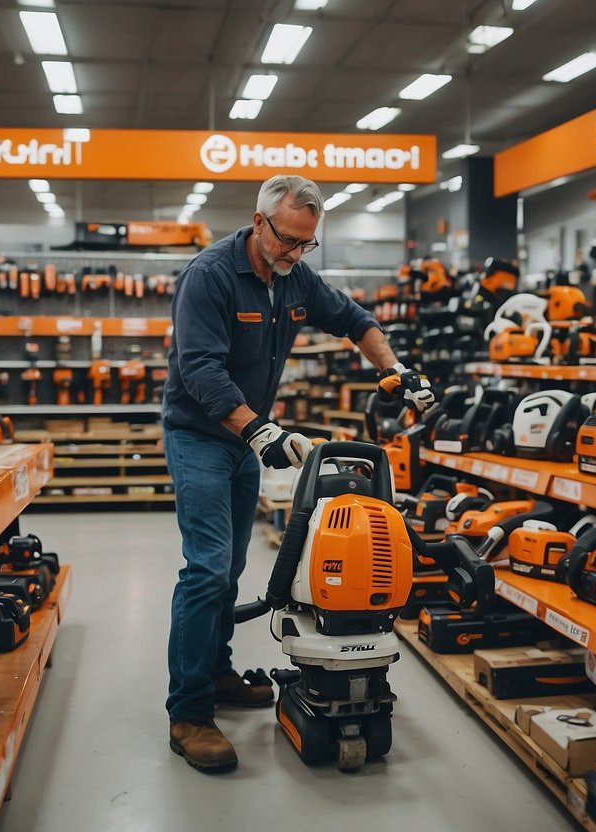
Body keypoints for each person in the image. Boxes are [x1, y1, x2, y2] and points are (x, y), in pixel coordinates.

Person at [160, 174, 436, 773]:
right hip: (201, 436)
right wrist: (260, 430)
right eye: (287, 241)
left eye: (306, 244)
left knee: (231, 568)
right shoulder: (209, 276)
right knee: (207, 568)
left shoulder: (294, 277)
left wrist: (394, 370)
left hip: (241, 442)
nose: (294, 254)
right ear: (259, 223)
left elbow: (355, 319)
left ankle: (217, 673)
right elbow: (200, 371)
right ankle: (188, 712)